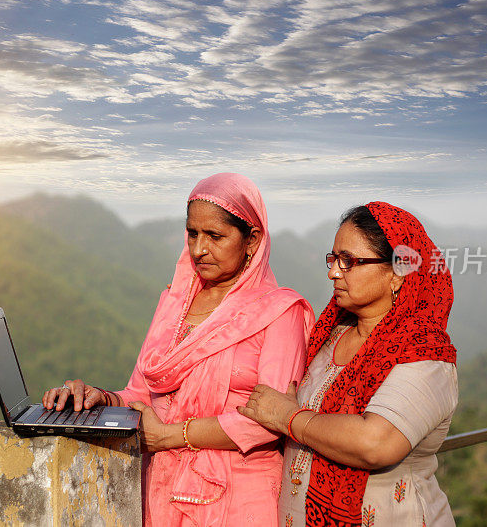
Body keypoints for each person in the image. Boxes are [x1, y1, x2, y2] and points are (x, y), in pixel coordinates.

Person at [42, 173, 314, 527]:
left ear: (253, 240)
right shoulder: (174, 303)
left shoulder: (278, 312)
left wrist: (173, 435)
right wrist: (101, 399)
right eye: (192, 233)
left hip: (240, 501)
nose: (199, 249)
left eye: (215, 236)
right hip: (161, 490)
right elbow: (141, 394)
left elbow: (270, 421)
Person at [238, 202, 458, 527]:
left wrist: (287, 417)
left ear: (397, 274)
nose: (333, 272)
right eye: (334, 258)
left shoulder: (423, 352)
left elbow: (376, 443)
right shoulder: (332, 334)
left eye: (349, 261)